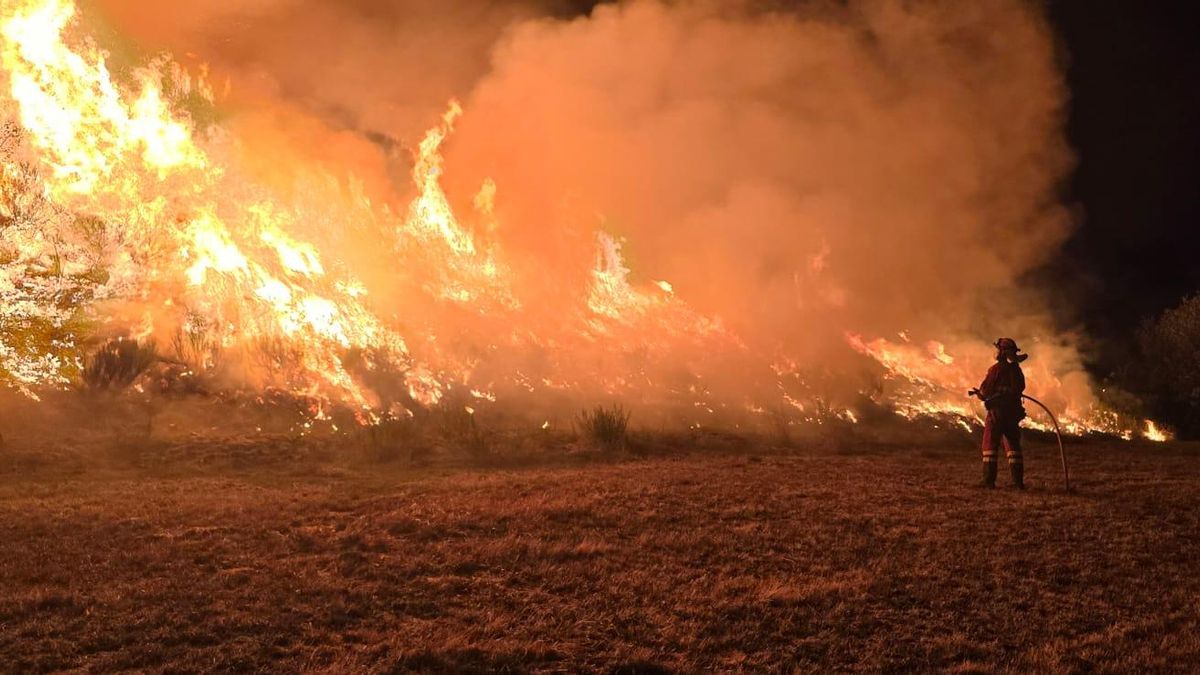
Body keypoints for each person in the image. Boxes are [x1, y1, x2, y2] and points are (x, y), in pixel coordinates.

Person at [976, 337, 1027, 489]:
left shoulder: (996, 369)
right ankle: (1017, 482)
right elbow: (1020, 388)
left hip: (997, 412)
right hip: (1013, 413)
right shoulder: (1017, 370)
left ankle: (988, 480)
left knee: (990, 444)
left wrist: (980, 394)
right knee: (1013, 446)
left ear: (1002, 352)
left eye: (998, 349)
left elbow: (986, 391)